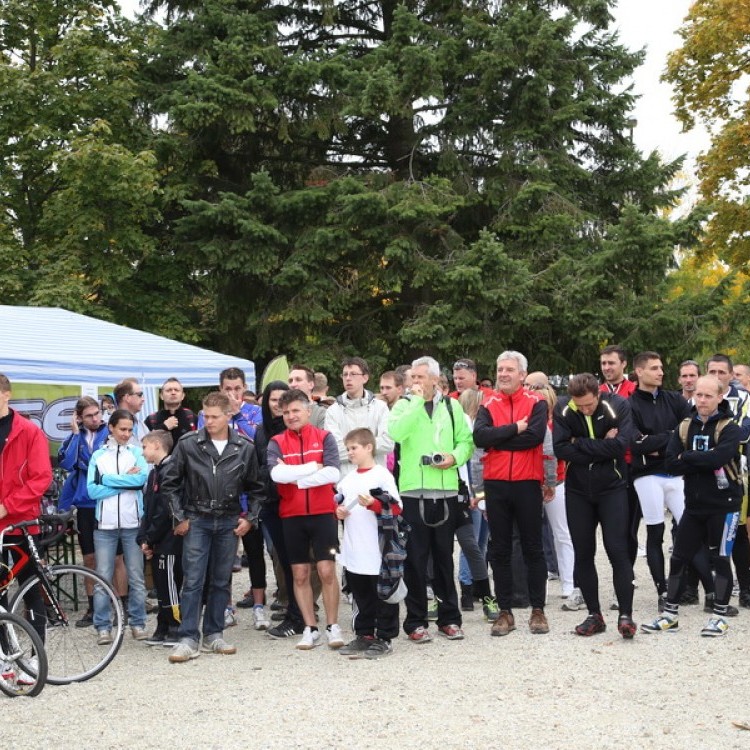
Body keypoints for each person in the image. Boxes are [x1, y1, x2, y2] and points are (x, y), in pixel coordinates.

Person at [161, 391, 264, 663]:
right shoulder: (188, 444)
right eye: (205, 415)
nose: (208, 421)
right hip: (197, 518)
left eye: (214, 416)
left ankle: (214, 633)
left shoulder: (244, 447)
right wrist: (179, 517)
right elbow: (169, 483)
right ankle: (187, 637)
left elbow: (257, 488)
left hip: (229, 520)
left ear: (229, 416)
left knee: (221, 580)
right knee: (193, 579)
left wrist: (249, 518)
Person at [642, 376, 742, 636]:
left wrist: (687, 456)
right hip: (694, 505)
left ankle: (720, 615)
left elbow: (720, 457)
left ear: (720, 397)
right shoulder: (685, 426)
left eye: (708, 396)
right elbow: (670, 463)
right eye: (699, 395)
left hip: (725, 505)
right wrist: (699, 459)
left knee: (720, 560)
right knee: (678, 557)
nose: (702, 401)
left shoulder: (730, 428)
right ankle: (670, 614)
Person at [389, 356, 473, 643]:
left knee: (443, 560)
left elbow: (466, 442)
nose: (415, 383)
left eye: (420, 378)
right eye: (412, 378)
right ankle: (415, 621)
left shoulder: (452, 406)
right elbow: (396, 433)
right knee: (414, 560)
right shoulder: (403, 405)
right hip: (413, 493)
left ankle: (450, 618)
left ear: (435, 380)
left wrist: (453, 458)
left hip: (445, 491)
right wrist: (414, 402)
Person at [553, 374, 637, 638]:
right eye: (581, 406)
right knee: (583, 551)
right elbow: (561, 449)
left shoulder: (618, 405)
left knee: (617, 550)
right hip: (578, 490)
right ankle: (594, 614)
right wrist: (602, 444)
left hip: (612, 488)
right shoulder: (565, 407)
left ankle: (625, 615)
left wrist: (580, 442)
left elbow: (622, 445)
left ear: (598, 395)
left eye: (589, 405)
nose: (585, 409)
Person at [473, 351, 550, 637]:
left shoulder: (537, 402)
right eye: (499, 369)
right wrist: (513, 430)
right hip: (496, 483)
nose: (503, 374)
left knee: (533, 548)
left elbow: (536, 437)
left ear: (522, 375)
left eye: (509, 370)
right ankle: (505, 611)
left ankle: (538, 610)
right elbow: (479, 437)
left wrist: (499, 439)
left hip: (527, 481)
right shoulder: (488, 403)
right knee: (500, 549)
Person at [267, 389, 344, 650]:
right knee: (299, 574)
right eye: (286, 412)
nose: (290, 416)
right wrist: (313, 468)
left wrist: (295, 477)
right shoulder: (276, 441)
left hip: (323, 514)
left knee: (326, 570)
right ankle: (310, 628)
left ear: (308, 411)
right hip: (292, 516)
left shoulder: (325, 437)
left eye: (295, 411)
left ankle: (333, 626)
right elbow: (276, 475)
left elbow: (333, 472)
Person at [629, 351, 691, 608]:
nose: (661, 372)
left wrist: (658, 442)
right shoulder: (629, 404)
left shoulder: (674, 399)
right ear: (640, 372)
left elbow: (689, 429)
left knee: (689, 529)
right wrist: (671, 439)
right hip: (647, 475)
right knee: (655, 533)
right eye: (654, 368)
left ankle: (696, 588)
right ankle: (662, 591)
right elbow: (636, 444)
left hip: (676, 473)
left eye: (661, 367)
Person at [335, 428, 402, 659]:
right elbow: (338, 502)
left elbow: (396, 507)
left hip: (378, 550)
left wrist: (374, 503)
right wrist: (339, 511)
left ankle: (385, 637)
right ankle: (364, 634)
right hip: (355, 550)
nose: (350, 453)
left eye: (354, 448)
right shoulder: (348, 479)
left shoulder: (382, 475)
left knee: (383, 595)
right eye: (348, 449)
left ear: (368, 447)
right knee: (360, 594)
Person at [86, 409, 150, 644]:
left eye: (130, 430)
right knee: (103, 575)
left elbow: (141, 480)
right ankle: (103, 626)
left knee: (136, 575)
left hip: (133, 523)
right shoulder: (98, 456)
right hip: (104, 525)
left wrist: (107, 479)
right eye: (122, 429)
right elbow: (92, 490)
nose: (126, 433)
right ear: (111, 428)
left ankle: (138, 622)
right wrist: (126, 482)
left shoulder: (137, 453)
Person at [0, 374, 53, 642]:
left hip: (22, 523)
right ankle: (5, 656)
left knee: (31, 589)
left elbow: (41, 478)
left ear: (6, 394)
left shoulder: (29, 431)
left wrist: (7, 506)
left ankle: (35, 655)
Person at [253, 382, 305, 639]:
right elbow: (259, 466)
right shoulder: (261, 431)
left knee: (299, 561)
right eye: (272, 400)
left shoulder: (298, 430)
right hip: (271, 503)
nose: (277, 404)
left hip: (296, 501)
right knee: (284, 560)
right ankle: (292, 611)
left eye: (281, 400)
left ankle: (301, 614)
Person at [57, 396, 109, 627]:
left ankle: (120, 605)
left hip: (107, 502)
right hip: (85, 505)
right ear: (79, 418)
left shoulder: (109, 433)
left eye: (97, 413)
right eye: (89, 415)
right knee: (89, 558)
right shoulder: (73, 439)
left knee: (115, 558)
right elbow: (67, 464)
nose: (95, 418)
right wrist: (76, 433)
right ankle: (93, 607)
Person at [704, 353, 750, 610]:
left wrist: (714, 441)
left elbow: (741, 434)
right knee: (702, 531)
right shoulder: (698, 398)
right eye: (713, 372)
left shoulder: (744, 399)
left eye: (722, 372)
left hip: (735, 472)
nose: (717, 377)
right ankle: (708, 592)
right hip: (703, 474)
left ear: (732, 375)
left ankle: (745, 588)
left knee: (738, 532)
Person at [137, 430, 182, 646]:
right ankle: (163, 625)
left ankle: (176, 625)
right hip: (156, 540)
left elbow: (166, 510)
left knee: (171, 583)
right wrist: (143, 538)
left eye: (144, 446)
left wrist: (152, 536)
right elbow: (148, 508)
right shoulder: (154, 472)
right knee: (161, 585)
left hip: (170, 539)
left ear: (156, 445)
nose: (142, 451)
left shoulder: (171, 470)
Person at [324, 357, 393, 478]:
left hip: (375, 480)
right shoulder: (332, 411)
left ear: (365, 378)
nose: (348, 378)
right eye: (345, 374)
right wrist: (368, 448)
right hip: (346, 481)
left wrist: (353, 449)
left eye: (353, 374)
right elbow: (334, 451)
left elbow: (387, 443)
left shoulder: (380, 408)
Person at [144, 377, 196, 447]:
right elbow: (145, 444)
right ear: (161, 396)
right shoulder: (152, 420)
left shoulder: (191, 417)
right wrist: (163, 427)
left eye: (176, 390)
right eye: (169, 390)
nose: (173, 392)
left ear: (183, 396)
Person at [113, 378, 148, 443]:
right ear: (127, 398)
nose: (143, 399)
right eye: (139, 395)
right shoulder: (110, 425)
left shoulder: (142, 425)